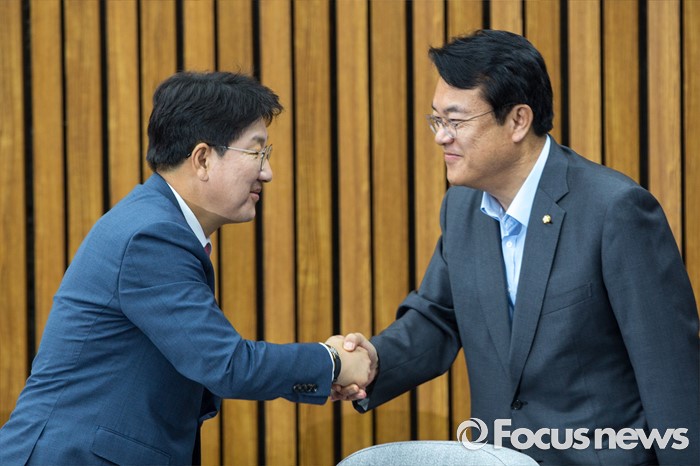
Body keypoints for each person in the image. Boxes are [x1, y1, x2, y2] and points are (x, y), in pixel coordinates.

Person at [334, 30, 699, 465]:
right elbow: (438, 318)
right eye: (436, 120)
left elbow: (670, 373)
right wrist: (374, 360)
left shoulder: (614, 211)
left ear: (518, 121)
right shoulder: (462, 207)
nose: (441, 137)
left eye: (455, 121)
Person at [0, 71, 371, 465]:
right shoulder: (152, 236)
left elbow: (204, 362)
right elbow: (226, 364)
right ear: (203, 159)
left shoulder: (154, 221)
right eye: (256, 152)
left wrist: (323, 373)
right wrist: (332, 362)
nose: (267, 172)